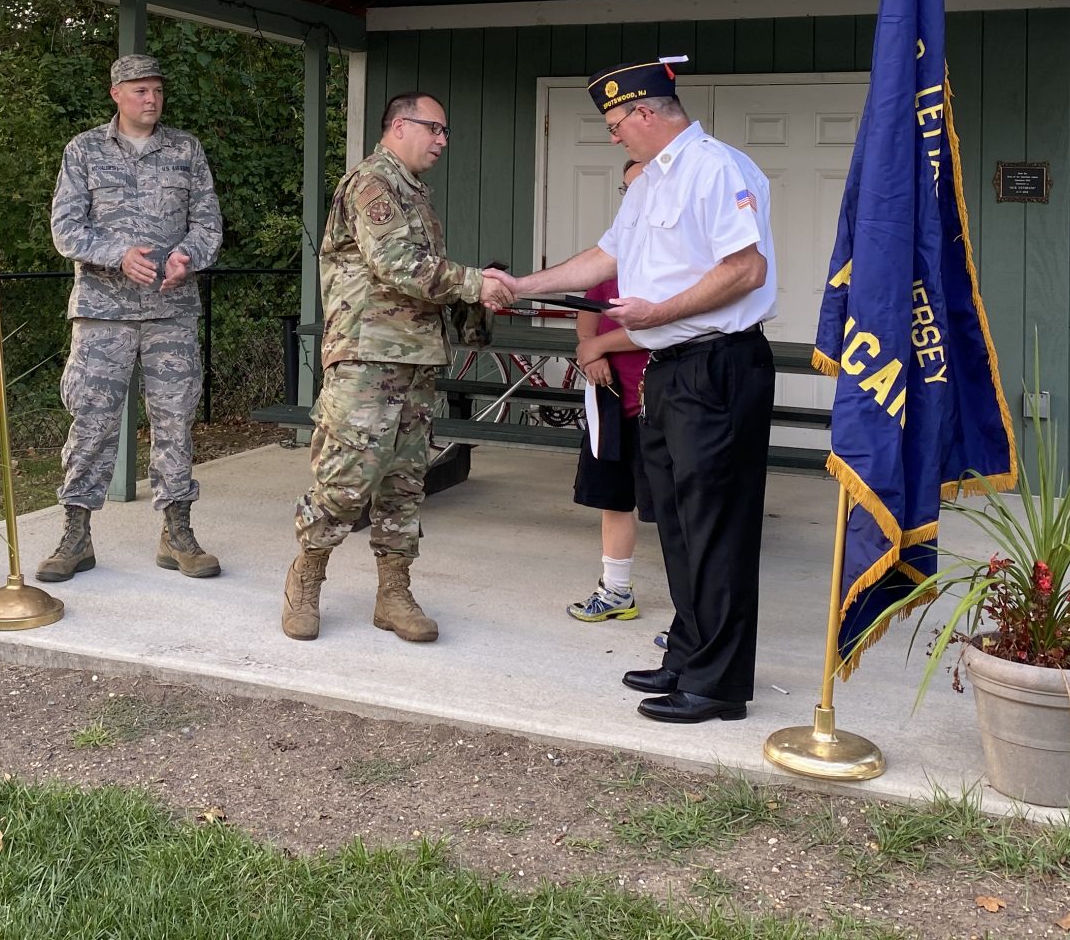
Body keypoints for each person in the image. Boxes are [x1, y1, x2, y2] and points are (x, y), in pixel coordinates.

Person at [503, 61, 777, 724]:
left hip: (717, 365)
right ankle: (688, 655)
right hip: (671, 369)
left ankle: (718, 686)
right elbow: (602, 260)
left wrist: (662, 312)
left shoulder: (716, 169)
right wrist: (520, 286)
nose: (614, 137)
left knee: (717, 527)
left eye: (616, 124)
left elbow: (747, 267)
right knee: (680, 525)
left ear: (647, 115)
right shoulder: (650, 184)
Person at [280, 92, 512, 644]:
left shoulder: (415, 195)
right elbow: (397, 264)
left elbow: (423, 276)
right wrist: (477, 282)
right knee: (345, 480)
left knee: (405, 483)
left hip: (413, 361)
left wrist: (471, 308)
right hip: (366, 358)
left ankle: (393, 592)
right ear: (401, 126)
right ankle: (305, 577)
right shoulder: (371, 185)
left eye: (444, 131)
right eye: (436, 128)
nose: (442, 140)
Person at [39, 53, 223, 582]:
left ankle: (177, 532)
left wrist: (189, 255)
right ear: (116, 93)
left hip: (172, 312)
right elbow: (65, 229)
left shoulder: (186, 150)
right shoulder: (85, 150)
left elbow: (209, 223)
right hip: (104, 315)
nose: (151, 98)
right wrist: (119, 252)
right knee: (91, 423)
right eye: (140, 90)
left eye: (157, 90)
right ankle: (76, 535)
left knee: (175, 422)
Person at [567, 157, 654, 625]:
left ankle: (693, 620)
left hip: (662, 400)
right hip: (611, 399)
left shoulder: (676, 257)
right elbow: (587, 322)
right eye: (627, 190)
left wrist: (598, 344)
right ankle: (616, 590)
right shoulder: (610, 256)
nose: (633, 199)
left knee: (678, 510)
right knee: (614, 497)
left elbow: (663, 327)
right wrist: (593, 352)